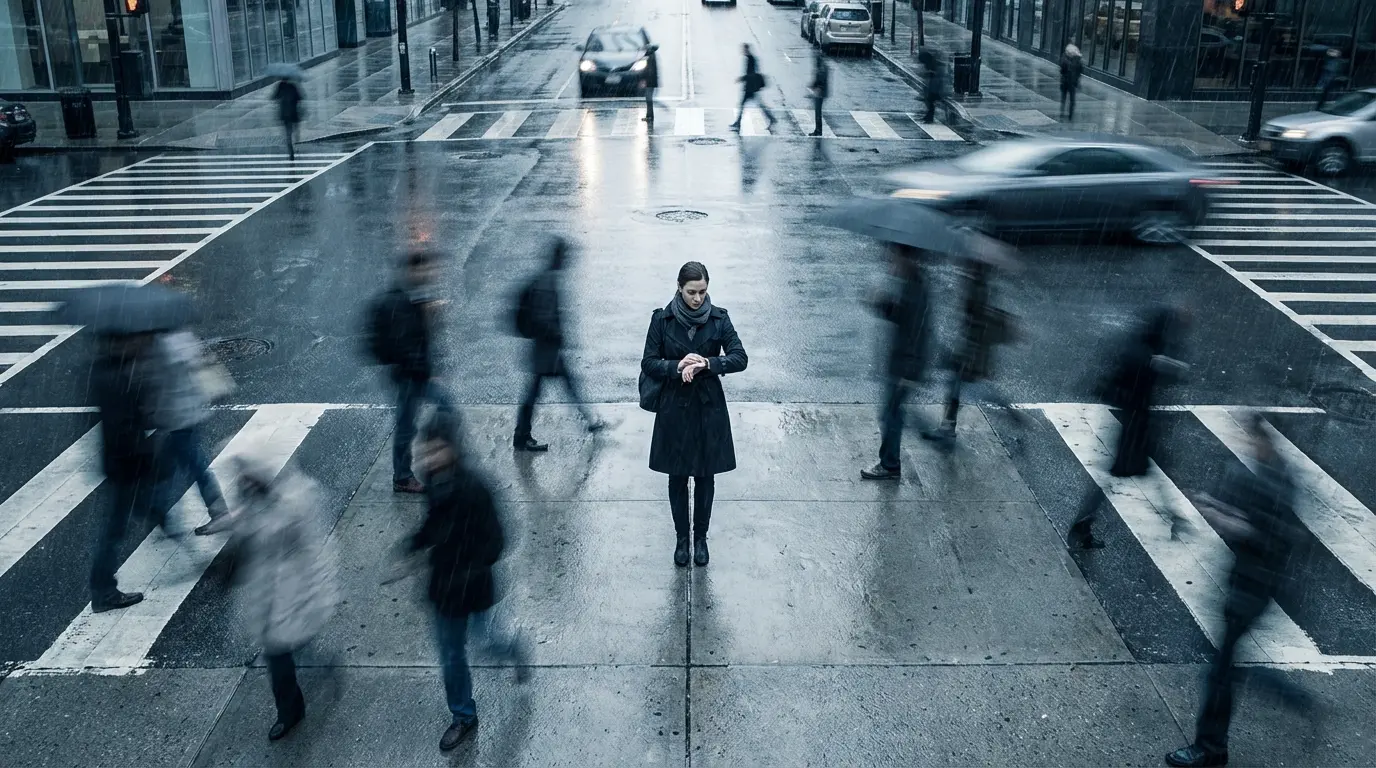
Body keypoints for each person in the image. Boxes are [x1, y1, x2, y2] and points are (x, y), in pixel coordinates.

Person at [1165, 414, 1302, 768]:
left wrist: (1229, 523)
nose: (1247, 444)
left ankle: (1210, 748)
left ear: (1266, 439)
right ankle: (1217, 743)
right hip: (1248, 582)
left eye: (1252, 438)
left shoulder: (1277, 481)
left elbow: (1270, 536)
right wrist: (1218, 509)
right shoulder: (1268, 472)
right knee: (1224, 664)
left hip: (1254, 586)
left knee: (1221, 671)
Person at [408, 412, 530, 751]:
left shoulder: (476, 487)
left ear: (453, 448)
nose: (430, 457)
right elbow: (432, 523)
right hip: (444, 587)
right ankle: (463, 715)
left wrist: (472, 567)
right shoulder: (433, 482)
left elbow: (498, 540)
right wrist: (416, 542)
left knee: (487, 644)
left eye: (437, 450)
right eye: (426, 450)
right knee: (450, 655)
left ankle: (514, 648)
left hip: (473, 587)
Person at [640, 262, 748, 567]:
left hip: (708, 407)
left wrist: (708, 364)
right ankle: (681, 539)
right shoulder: (661, 320)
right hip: (674, 407)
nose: (698, 298)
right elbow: (648, 362)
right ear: (679, 287)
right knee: (677, 477)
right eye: (691, 292)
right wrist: (676, 365)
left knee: (705, 476)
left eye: (702, 291)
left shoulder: (719, 318)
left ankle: (700, 538)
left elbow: (740, 358)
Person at [224, 454, 337, 741]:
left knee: (292, 641)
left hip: (293, 585)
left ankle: (313, 670)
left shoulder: (295, 496)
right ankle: (289, 711)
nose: (244, 479)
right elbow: (245, 541)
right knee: (276, 653)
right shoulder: (248, 499)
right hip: (267, 590)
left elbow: (305, 536)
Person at [1069, 306, 1189, 549]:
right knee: (1127, 471)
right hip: (1136, 424)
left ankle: (1174, 516)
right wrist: (1160, 364)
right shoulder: (1145, 352)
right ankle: (1083, 524)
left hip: (1137, 421)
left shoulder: (1146, 345)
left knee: (1149, 468)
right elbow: (1144, 370)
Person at [89, 332, 162, 612]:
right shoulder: (114, 377)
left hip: (122, 461)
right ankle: (104, 591)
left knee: (120, 523)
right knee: (114, 529)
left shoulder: (109, 370)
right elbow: (124, 426)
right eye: (130, 340)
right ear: (117, 343)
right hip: (125, 463)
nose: (137, 343)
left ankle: (103, 587)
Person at [367, 251, 450, 494]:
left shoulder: (413, 296)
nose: (430, 273)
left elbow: (420, 338)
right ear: (413, 271)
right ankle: (403, 476)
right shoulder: (400, 301)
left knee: (425, 417)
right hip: (409, 376)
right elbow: (406, 345)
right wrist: (426, 372)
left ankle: (426, 465)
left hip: (415, 374)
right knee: (408, 426)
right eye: (425, 269)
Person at [513, 237, 605, 451]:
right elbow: (545, 320)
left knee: (560, 387)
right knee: (539, 392)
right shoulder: (547, 283)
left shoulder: (546, 278)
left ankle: (590, 422)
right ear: (560, 258)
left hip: (547, 349)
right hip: (547, 351)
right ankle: (522, 437)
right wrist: (559, 336)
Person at [922, 259, 1014, 446]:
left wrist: (968, 354)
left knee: (962, 388)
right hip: (969, 349)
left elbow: (976, 322)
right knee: (957, 388)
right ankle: (948, 428)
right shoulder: (976, 284)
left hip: (971, 352)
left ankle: (1008, 412)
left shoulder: (977, 288)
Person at [149, 329, 231, 536]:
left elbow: (157, 384)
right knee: (172, 465)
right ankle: (159, 511)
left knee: (194, 465)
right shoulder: (181, 336)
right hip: (187, 414)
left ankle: (218, 512)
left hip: (178, 418)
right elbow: (201, 364)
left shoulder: (161, 345)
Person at [861, 245, 931, 481]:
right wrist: (881, 303)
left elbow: (918, 333)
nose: (890, 259)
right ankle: (892, 460)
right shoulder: (911, 283)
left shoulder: (917, 289)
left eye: (894, 255)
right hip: (900, 363)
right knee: (893, 412)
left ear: (906, 257)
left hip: (904, 366)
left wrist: (909, 371)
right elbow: (901, 317)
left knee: (891, 413)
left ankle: (890, 464)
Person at [729, 44, 776, 132]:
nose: (742, 51)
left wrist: (741, 79)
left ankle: (738, 123)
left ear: (747, 49)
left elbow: (751, 74)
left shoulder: (751, 59)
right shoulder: (750, 58)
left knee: (745, 105)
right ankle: (738, 123)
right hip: (751, 87)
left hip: (750, 87)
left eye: (743, 49)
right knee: (755, 105)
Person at [273, 74, 303, 160]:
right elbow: (300, 98)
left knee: (288, 133)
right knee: (295, 128)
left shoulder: (280, 86)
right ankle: (296, 139)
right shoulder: (293, 86)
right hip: (293, 112)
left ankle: (291, 151)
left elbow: (274, 97)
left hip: (285, 114)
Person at [918, 48, 944, 124]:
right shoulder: (930, 64)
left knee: (930, 99)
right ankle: (929, 116)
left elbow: (938, 79)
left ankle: (930, 116)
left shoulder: (935, 65)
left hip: (936, 88)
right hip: (933, 87)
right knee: (928, 100)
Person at [1060, 44, 1083, 121]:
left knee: (1065, 98)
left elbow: (1062, 70)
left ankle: (1064, 113)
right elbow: (1080, 72)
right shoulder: (1077, 60)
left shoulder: (1065, 59)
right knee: (1071, 99)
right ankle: (1069, 115)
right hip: (1071, 82)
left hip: (1067, 82)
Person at [809, 51, 829, 136]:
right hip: (820, 92)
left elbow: (820, 80)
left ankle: (818, 130)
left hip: (820, 93)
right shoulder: (822, 67)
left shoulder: (821, 68)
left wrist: (814, 87)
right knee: (818, 112)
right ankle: (818, 130)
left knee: (818, 112)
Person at [642, 43, 660, 125]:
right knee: (649, 99)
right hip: (651, 81)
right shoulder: (652, 56)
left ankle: (649, 116)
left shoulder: (650, 57)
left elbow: (648, 71)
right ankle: (649, 116)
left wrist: (644, 79)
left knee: (649, 99)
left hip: (650, 82)